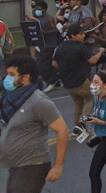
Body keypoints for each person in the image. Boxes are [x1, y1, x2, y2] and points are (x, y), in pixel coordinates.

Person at [0, 54, 68, 192]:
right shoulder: (8, 98)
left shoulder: (39, 102)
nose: (7, 79)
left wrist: (58, 166)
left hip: (32, 165)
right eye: (7, 74)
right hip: (14, 165)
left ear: (25, 77)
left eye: (12, 75)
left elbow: (63, 130)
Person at [52, 24, 106, 126]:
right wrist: (100, 52)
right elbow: (93, 60)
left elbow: (54, 63)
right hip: (80, 81)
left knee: (78, 103)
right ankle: (82, 122)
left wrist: (66, 67)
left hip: (67, 83)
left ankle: (76, 126)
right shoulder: (80, 47)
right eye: (81, 34)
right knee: (93, 98)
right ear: (73, 35)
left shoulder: (61, 47)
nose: (83, 36)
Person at [26, 0, 61, 91]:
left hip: (50, 44)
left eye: (39, 9)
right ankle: (55, 81)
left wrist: (46, 32)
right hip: (43, 44)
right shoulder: (39, 19)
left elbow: (56, 30)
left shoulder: (49, 18)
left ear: (44, 10)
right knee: (47, 63)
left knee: (41, 63)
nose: (36, 11)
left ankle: (51, 81)